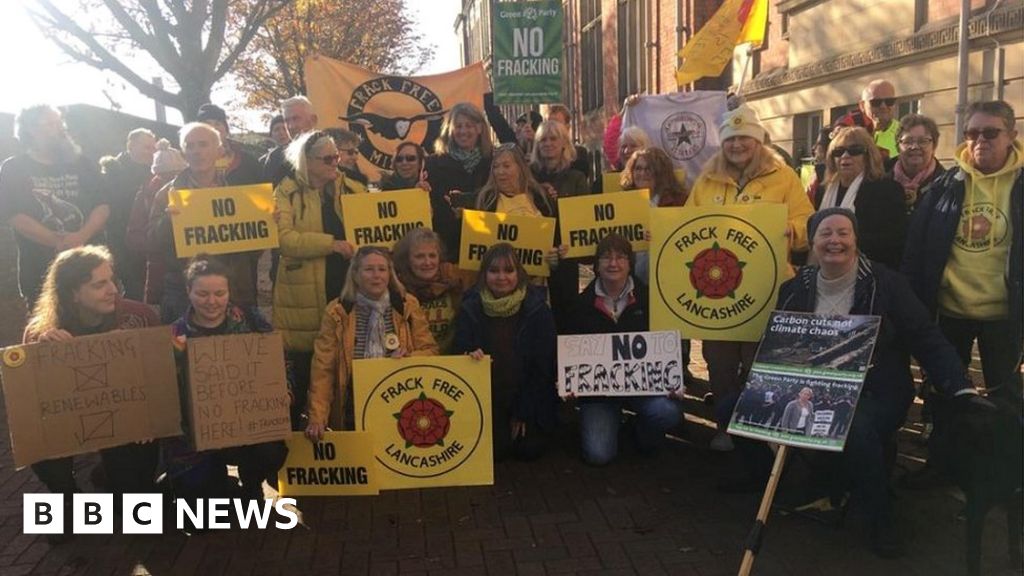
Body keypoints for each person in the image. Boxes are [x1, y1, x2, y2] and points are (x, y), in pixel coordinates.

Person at [773, 207, 990, 557]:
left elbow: (925, 336)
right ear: (812, 243)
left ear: (856, 240)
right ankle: (805, 484)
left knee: (854, 428)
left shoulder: (886, 283)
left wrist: (958, 384)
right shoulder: (795, 288)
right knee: (734, 410)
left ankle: (879, 517)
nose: (835, 241)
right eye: (825, 233)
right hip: (816, 389)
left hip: (878, 389)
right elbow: (780, 346)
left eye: (843, 233)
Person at [902, 100, 1023, 479]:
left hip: (1004, 314)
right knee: (944, 393)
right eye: (971, 134)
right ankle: (941, 467)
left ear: (1012, 135)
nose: (979, 141)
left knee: (1008, 398)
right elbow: (916, 253)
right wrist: (915, 310)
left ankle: (1008, 476)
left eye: (990, 132)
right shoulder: (945, 186)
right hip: (949, 311)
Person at [685, 104, 814, 452]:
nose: (737, 145)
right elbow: (687, 228)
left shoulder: (784, 177)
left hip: (769, 288)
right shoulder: (706, 178)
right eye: (730, 139)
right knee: (720, 362)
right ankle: (725, 428)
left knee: (759, 362)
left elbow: (808, 223)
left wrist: (790, 230)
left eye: (744, 138)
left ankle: (759, 430)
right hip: (718, 293)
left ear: (758, 141)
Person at [23, 246, 160, 542]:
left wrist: (136, 350)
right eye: (99, 284)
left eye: (112, 280)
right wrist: (40, 355)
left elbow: (161, 379)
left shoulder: (140, 317)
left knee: (138, 508)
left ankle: (111, 478)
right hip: (71, 422)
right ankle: (68, 499)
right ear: (72, 293)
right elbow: (31, 402)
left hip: (124, 421)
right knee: (39, 444)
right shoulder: (39, 332)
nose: (113, 290)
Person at [164, 255, 288, 505]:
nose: (212, 302)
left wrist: (288, 391)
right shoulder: (174, 335)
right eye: (202, 294)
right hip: (196, 437)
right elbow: (164, 394)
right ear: (188, 291)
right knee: (201, 520)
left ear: (229, 292)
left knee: (271, 452)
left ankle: (252, 483)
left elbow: (281, 361)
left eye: (219, 293)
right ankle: (213, 483)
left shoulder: (250, 320)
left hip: (246, 424)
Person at [566, 234, 681, 465]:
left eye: (620, 257)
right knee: (599, 455)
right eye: (606, 258)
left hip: (643, 388)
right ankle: (607, 424)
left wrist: (672, 378)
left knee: (667, 413)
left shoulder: (650, 299)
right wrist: (570, 380)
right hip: (600, 395)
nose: (613, 264)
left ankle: (639, 431)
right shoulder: (579, 305)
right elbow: (571, 352)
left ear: (630, 263)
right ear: (596, 265)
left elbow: (665, 347)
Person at [273, 130, 359, 428]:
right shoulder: (286, 192)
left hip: (344, 286)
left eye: (337, 156)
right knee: (305, 367)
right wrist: (331, 245)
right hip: (303, 295)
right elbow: (285, 239)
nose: (336, 162)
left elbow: (379, 221)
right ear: (305, 162)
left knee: (343, 364)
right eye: (328, 158)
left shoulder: (351, 187)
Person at [306, 246, 438, 437]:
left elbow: (430, 350)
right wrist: (317, 417)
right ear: (356, 275)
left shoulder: (407, 305)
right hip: (352, 402)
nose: (376, 275)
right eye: (369, 269)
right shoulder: (337, 311)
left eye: (382, 269)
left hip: (400, 400)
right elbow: (323, 369)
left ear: (389, 274)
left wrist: (409, 357)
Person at [454, 243, 558, 461]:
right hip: (488, 397)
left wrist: (523, 412)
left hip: (527, 395)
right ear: (484, 274)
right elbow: (460, 348)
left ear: (519, 273)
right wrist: (468, 355)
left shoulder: (538, 309)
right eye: (494, 270)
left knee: (530, 449)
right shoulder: (469, 307)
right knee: (496, 451)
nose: (501, 277)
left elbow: (543, 368)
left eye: (508, 270)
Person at [148, 122, 260, 322]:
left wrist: (267, 222)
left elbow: (254, 251)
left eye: (203, 144)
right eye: (190, 146)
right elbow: (152, 242)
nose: (196, 151)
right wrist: (168, 221)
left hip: (233, 288)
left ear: (219, 151)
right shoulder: (167, 194)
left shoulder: (241, 194)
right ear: (183, 153)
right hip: (184, 291)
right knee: (186, 351)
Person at [0, 105, 109, 308]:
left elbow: (102, 205)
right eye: (51, 124)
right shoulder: (13, 168)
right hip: (40, 273)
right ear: (30, 130)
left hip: (92, 272)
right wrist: (57, 240)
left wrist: (81, 237)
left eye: (60, 123)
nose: (60, 129)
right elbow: (14, 215)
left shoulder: (83, 164)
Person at [816, 126, 906, 269]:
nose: (845, 156)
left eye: (854, 150)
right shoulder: (823, 190)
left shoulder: (887, 190)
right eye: (839, 151)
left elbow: (891, 242)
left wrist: (843, 244)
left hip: (870, 273)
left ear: (868, 155)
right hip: (825, 272)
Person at [530, 120, 590, 330]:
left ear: (564, 142)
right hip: (536, 253)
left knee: (565, 314)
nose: (548, 143)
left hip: (565, 254)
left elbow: (583, 218)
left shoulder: (577, 178)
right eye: (543, 139)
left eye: (553, 138)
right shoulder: (528, 176)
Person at [425, 102, 494, 261]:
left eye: (469, 125)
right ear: (450, 130)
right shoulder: (432, 164)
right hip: (447, 248)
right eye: (458, 126)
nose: (463, 131)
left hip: (485, 246)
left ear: (479, 128)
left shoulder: (494, 161)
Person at [125, 138, 187, 306]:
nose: (172, 180)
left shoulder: (194, 194)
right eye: (167, 176)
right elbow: (135, 237)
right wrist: (166, 238)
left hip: (180, 273)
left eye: (177, 175)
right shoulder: (147, 194)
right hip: (163, 273)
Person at [101, 128, 157, 299]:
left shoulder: (156, 171)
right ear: (131, 145)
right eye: (147, 147)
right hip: (122, 243)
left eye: (153, 148)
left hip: (149, 242)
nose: (152, 152)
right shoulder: (112, 171)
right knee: (135, 291)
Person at [392, 228, 465, 354]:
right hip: (413, 365)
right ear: (407, 259)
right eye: (419, 256)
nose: (427, 262)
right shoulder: (396, 290)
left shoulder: (455, 281)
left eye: (432, 255)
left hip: (454, 364)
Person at [887, 114, 945, 210]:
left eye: (923, 141)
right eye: (908, 141)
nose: (914, 147)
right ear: (898, 147)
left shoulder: (946, 186)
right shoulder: (881, 182)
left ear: (934, 146)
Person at [195, 103, 262, 185]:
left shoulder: (248, 162)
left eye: (218, 124)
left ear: (226, 129)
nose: (213, 128)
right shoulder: (191, 163)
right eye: (207, 124)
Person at [833, 79, 900, 159]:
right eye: (876, 102)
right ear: (862, 105)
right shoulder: (853, 131)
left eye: (889, 101)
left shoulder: (903, 133)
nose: (883, 106)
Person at [262, 95, 319, 186]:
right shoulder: (276, 158)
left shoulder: (334, 150)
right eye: (287, 121)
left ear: (313, 120)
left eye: (296, 119)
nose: (291, 126)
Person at [620, 146, 688, 207]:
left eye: (648, 169)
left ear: (661, 172)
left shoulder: (680, 201)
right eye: (638, 168)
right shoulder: (623, 201)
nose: (642, 173)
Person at [546, 103, 593, 183]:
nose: (552, 128)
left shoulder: (579, 154)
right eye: (550, 123)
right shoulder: (543, 153)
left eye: (557, 123)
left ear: (567, 127)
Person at [324, 127, 369, 192]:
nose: (356, 157)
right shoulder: (329, 183)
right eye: (350, 152)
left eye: (356, 152)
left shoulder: (356, 178)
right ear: (332, 152)